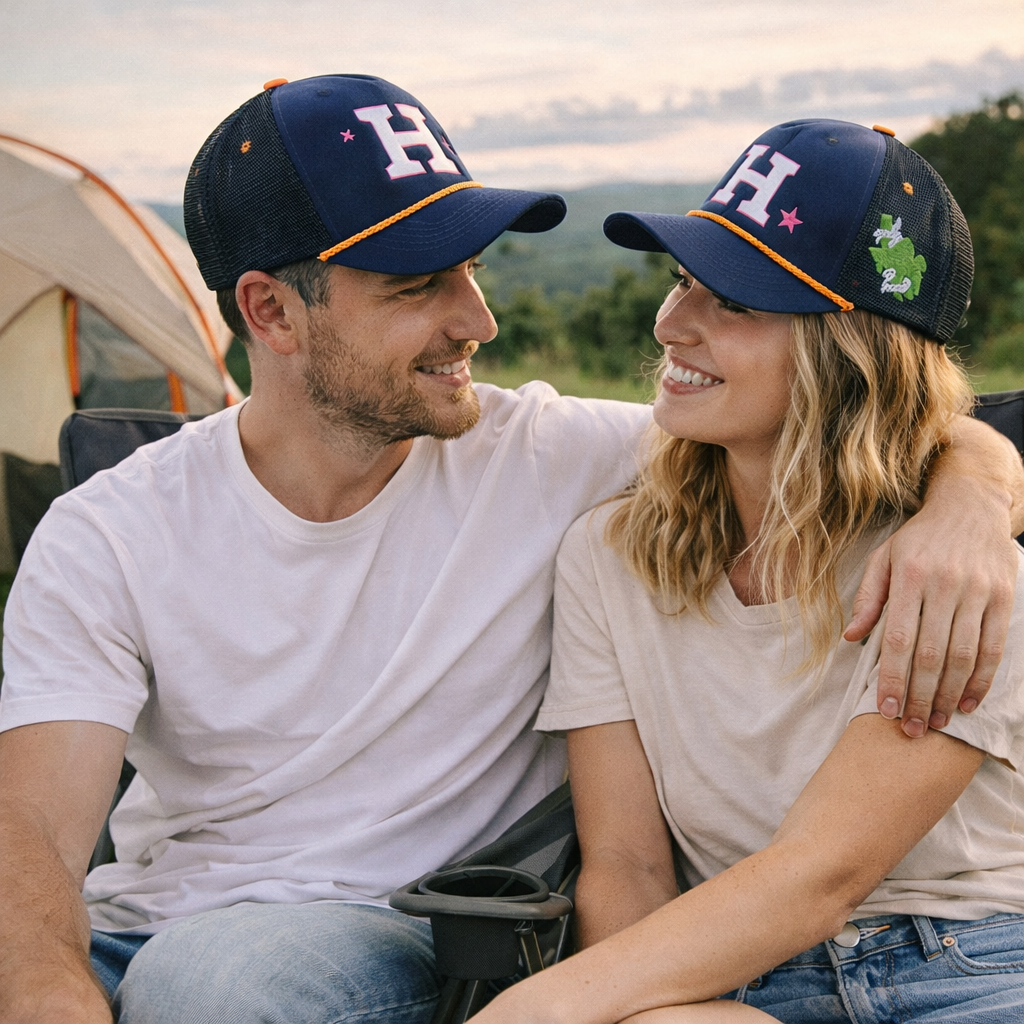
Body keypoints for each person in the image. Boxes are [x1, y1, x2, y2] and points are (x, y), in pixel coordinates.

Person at [0, 77, 1019, 1024]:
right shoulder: (112, 528)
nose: (477, 321)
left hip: (378, 941)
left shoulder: (561, 457)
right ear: (270, 310)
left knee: (212, 985)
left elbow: (869, 424)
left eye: (473, 271)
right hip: (141, 929)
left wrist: (972, 494)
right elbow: (34, 833)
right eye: (418, 286)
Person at [473, 120, 1024, 1024]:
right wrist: (657, 1012)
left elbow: (823, 875)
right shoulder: (610, 559)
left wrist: (531, 1011)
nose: (670, 324)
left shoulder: (958, 568)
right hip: (728, 973)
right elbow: (626, 864)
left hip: (969, 965)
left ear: (849, 353)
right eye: (685, 280)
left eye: (735, 302)